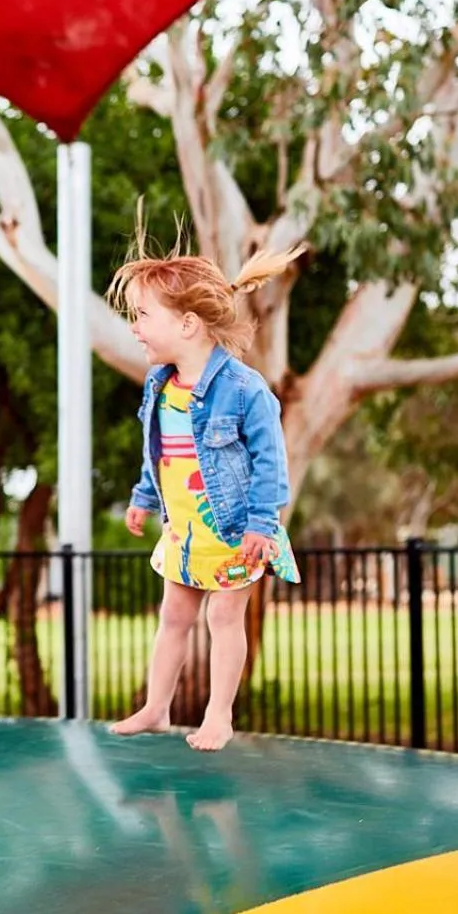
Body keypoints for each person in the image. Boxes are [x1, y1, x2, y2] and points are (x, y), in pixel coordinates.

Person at [107, 233, 305, 751]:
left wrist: (263, 523)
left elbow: (271, 460)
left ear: (188, 324)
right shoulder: (160, 386)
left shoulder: (243, 389)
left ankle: (219, 715)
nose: (135, 326)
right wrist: (143, 497)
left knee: (223, 616)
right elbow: (163, 453)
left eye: (144, 315)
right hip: (185, 532)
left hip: (237, 531)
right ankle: (156, 708)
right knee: (173, 617)